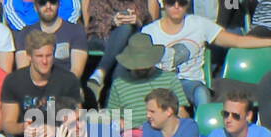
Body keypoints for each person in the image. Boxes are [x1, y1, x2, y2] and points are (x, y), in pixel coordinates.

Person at [142, 0, 271, 110]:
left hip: (191, 83)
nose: (176, 6)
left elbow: (238, 41)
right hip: (161, 83)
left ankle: (202, 133)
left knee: (202, 93)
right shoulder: (150, 32)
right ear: (163, 3)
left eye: (181, 2)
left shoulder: (199, 24)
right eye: (171, 2)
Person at [0, 29, 81, 137]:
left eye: (48, 56)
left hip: (56, 136)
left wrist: (55, 130)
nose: (44, 61)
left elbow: (78, 119)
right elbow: (8, 124)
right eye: (39, 56)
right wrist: (24, 127)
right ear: (29, 56)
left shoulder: (67, 80)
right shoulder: (14, 81)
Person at [103, 31, 184, 128]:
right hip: (132, 134)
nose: (142, 68)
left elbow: (181, 112)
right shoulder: (119, 84)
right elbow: (113, 116)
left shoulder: (170, 79)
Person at [84, 0, 157, 101]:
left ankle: (101, 72)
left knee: (127, 31)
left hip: (130, 38)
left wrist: (137, 19)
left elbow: (147, 20)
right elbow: (95, 16)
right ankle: (112, 104)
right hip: (103, 35)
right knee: (126, 34)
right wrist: (113, 20)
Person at [14, 0, 87, 78]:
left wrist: (61, 88)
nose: (48, 6)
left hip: (67, 86)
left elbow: (76, 71)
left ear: (59, 4)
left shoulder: (76, 30)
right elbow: (23, 72)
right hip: (34, 87)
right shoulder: (25, 34)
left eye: (53, 2)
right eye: (42, 3)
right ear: (35, 7)